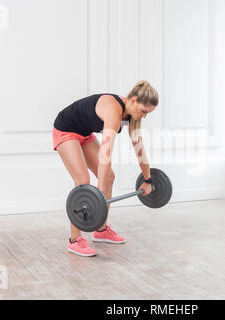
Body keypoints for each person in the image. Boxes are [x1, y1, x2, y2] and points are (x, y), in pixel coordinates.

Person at [53, 81, 159, 257]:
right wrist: (99, 194)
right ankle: (74, 240)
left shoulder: (132, 117)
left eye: (148, 113)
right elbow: (105, 153)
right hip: (65, 129)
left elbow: (139, 150)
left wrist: (148, 180)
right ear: (133, 101)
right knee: (83, 182)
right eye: (144, 111)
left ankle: (101, 230)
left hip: (84, 134)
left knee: (109, 177)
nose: (144, 116)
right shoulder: (113, 110)